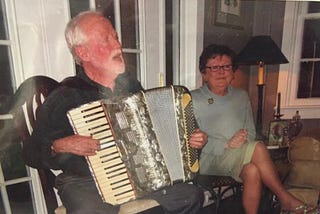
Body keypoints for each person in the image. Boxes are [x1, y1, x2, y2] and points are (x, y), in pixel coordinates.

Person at [26, 11, 208, 214]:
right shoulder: (65, 96)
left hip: (142, 176)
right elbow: (30, 152)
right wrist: (57, 145)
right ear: (84, 53)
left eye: (116, 37)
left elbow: (163, 136)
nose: (117, 45)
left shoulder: (132, 88)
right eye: (106, 40)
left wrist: (192, 140)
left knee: (190, 196)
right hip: (86, 183)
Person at [191, 44, 316, 214]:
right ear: (204, 74)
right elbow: (191, 139)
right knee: (258, 147)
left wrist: (243, 139)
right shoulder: (193, 99)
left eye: (226, 67)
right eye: (213, 68)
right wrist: (227, 144)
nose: (221, 72)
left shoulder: (241, 96)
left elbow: (250, 130)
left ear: (233, 71)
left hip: (237, 156)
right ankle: (285, 198)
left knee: (252, 171)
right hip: (210, 159)